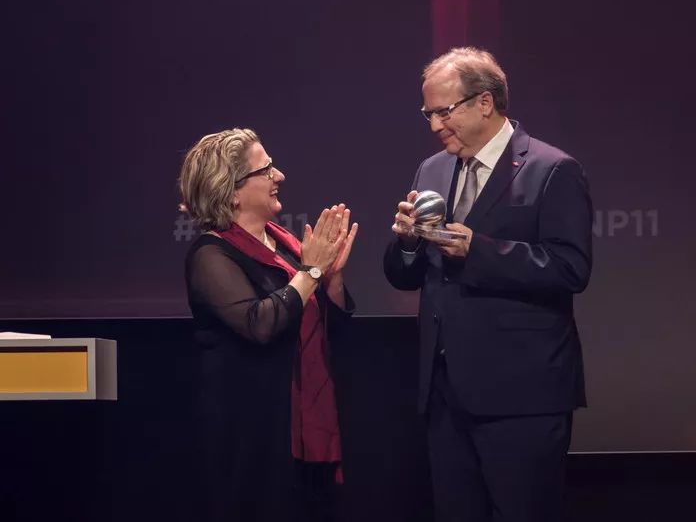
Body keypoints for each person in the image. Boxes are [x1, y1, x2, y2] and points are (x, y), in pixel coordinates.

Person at [384, 47, 593, 522]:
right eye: (428, 114)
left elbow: (570, 268)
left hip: (522, 394)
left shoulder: (552, 170)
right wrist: (408, 243)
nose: (435, 125)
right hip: (445, 393)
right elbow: (405, 274)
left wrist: (477, 250)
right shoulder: (432, 169)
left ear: (484, 102)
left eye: (444, 111)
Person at [179, 128, 358, 522]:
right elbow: (259, 324)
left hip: (304, 425)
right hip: (252, 431)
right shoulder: (211, 255)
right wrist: (311, 272)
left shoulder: (285, 245)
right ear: (231, 191)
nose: (279, 176)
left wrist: (331, 277)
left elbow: (331, 329)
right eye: (266, 169)